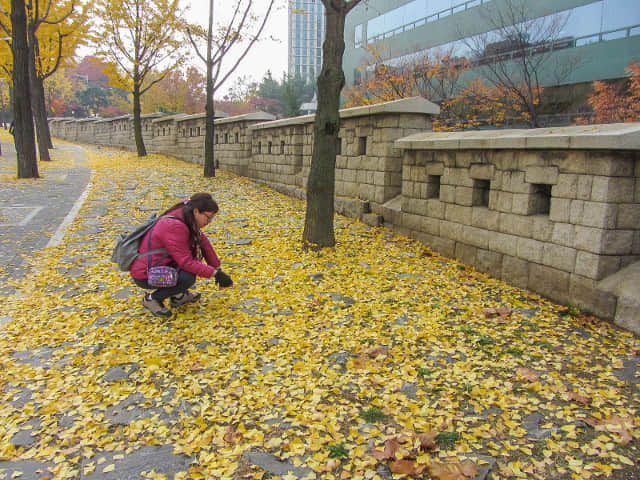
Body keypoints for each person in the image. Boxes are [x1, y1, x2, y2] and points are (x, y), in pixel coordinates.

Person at [131, 192, 233, 317]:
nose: (209, 222)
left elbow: (203, 242)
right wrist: (214, 273)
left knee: (189, 269)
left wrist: (217, 268)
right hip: (146, 273)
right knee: (187, 277)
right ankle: (152, 299)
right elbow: (185, 262)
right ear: (196, 211)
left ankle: (178, 296)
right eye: (208, 217)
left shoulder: (186, 217)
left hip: (165, 265)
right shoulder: (174, 226)